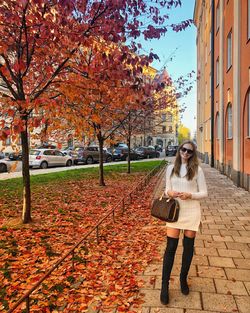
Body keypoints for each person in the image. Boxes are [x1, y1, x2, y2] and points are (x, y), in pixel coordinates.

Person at [160, 140, 208, 305]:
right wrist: (170, 192)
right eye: (184, 149)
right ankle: (164, 286)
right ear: (179, 150)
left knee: (188, 249)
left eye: (189, 151)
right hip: (174, 212)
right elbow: (166, 189)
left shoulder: (197, 170)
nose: (186, 153)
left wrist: (191, 195)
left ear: (193, 154)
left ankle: (182, 279)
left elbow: (204, 193)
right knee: (170, 248)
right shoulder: (170, 169)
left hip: (192, 211)